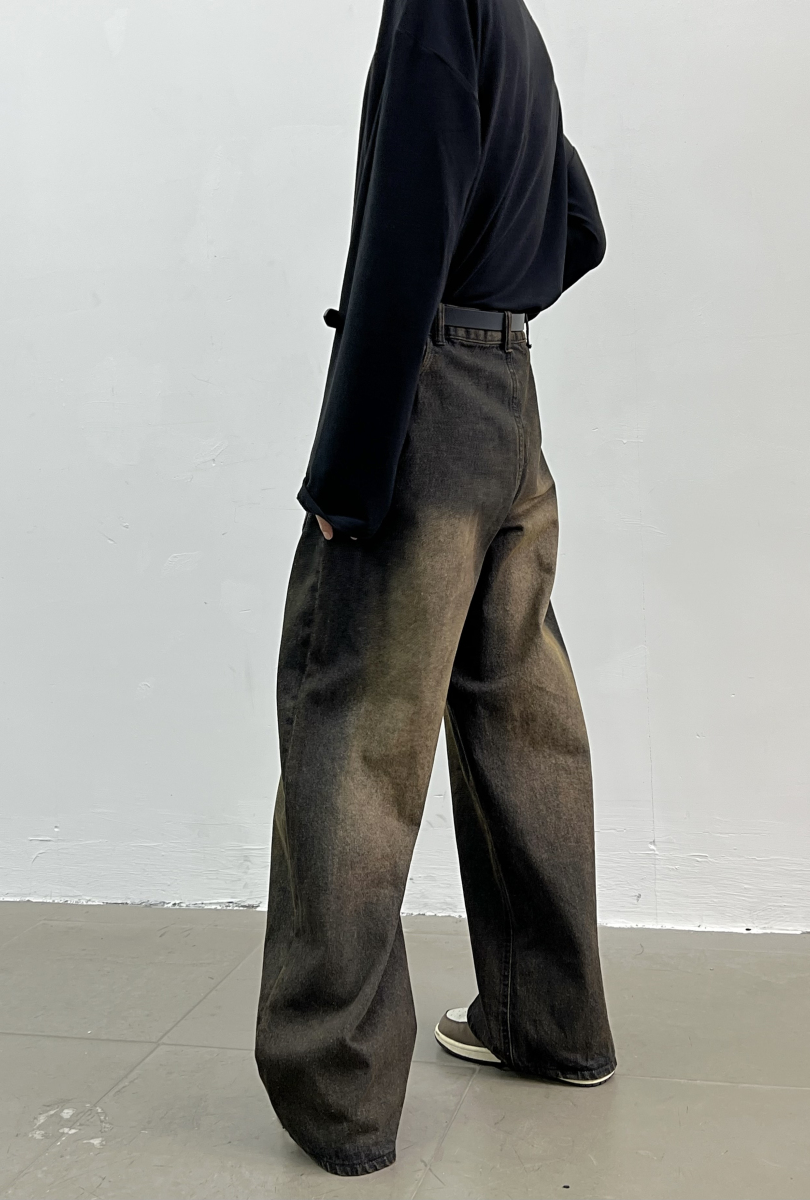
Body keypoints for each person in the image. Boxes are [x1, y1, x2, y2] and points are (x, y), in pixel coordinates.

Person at [255, 0, 616, 1177]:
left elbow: (404, 239)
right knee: (524, 724)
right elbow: (578, 222)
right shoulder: (514, 23)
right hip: (512, 406)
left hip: (430, 413)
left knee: (355, 734)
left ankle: (342, 1098)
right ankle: (554, 1024)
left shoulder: (433, 11)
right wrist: (497, 322)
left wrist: (347, 473)